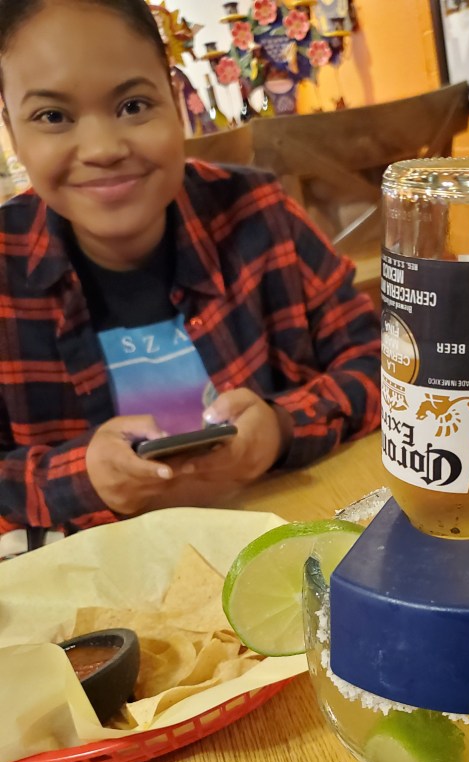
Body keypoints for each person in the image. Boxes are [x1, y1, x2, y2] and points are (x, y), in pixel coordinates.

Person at [0, 0, 381, 554]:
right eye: (53, 116)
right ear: (12, 132)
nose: (104, 149)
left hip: (279, 542)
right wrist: (81, 477)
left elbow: (385, 364)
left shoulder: (258, 212)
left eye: (133, 105)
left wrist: (281, 429)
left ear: (177, 100)